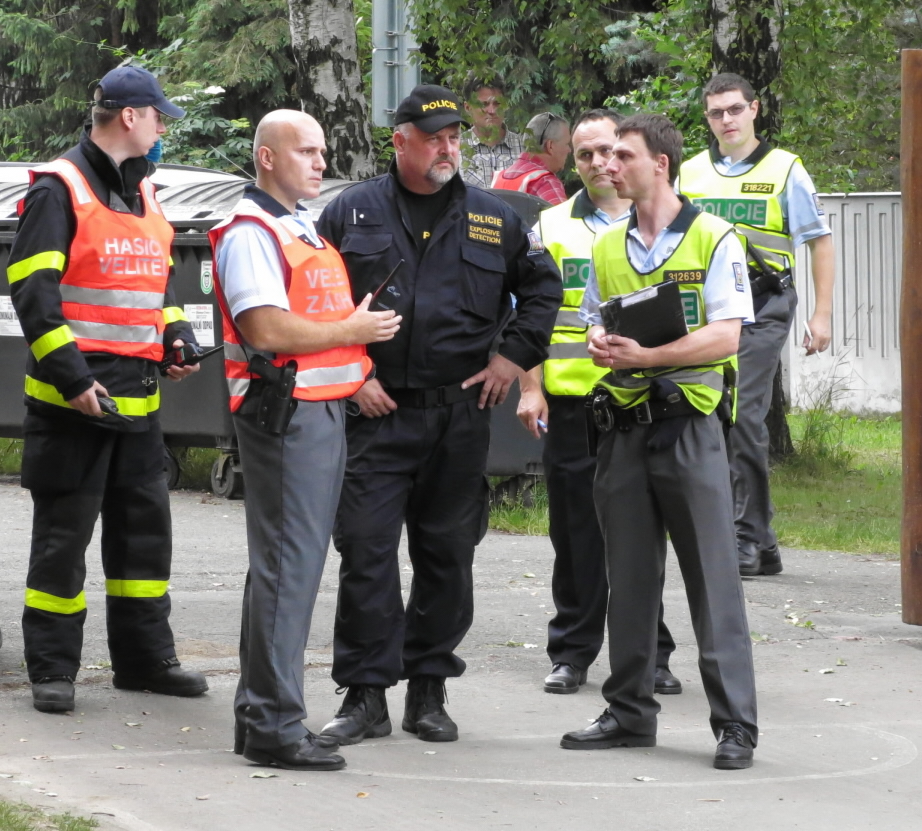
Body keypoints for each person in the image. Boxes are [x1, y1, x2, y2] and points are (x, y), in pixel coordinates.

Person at [314, 85, 561, 747]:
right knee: (366, 551)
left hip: (459, 415)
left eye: (454, 137)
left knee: (446, 556)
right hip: (376, 412)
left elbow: (543, 289)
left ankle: (428, 689)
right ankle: (365, 695)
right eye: (433, 138)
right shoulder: (351, 211)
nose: (448, 148)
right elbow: (314, 301)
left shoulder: (494, 216)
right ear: (400, 142)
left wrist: (512, 358)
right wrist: (354, 372)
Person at [559, 114, 758, 770]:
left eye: (623, 155)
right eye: (605, 156)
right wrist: (600, 342)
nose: (608, 166)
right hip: (622, 429)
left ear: (660, 164)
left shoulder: (713, 236)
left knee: (712, 577)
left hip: (689, 425)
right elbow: (593, 320)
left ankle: (735, 725)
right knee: (629, 577)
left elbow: (727, 335)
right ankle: (628, 711)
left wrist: (647, 356)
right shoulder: (607, 246)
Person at [7, 65, 208, 714]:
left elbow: (156, 281)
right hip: (73, 404)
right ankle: (53, 669)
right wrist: (72, 379)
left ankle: (145, 661)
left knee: (144, 538)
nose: (162, 129)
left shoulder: (144, 190)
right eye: (158, 117)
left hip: (138, 404)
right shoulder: (59, 188)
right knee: (63, 541)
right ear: (130, 117)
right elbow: (32, 292)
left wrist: (176, 335)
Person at [210, 110, 401, 771]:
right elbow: (266, 329)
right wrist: (354, 331)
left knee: (285, 567)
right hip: (288, 415)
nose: (321, 162)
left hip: (315, 412)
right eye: (305, 152)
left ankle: (261, 715)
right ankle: (274, 725)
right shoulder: (252, 232)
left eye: (322, 152)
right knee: (287, 569)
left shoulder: (298, 226)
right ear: (267, 157)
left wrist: (351, 343)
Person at [515, 108, 680, 696]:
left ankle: (651, 654)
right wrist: (530, 388)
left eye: (607, 150)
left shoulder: (660, 222)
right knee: (575, 535)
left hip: (642, 401)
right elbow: (528, 315)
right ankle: (572, 652)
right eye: (583, 154)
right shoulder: (549, 225)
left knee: (641, 534)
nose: (597, 163)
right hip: (573, 405)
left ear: (626, 151)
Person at [678, 73, 835, 578]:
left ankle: (744, 537)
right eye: (716, 112)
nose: (726, 120)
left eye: (734, 109)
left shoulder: (785, 169)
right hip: (707, 311)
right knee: (712, 415)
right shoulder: (689, 174)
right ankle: (760, 542)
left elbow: (819, 241)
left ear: (754, 109)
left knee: (743, 416)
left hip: (765, 305)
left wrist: (821, 314)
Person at [459, 73, 525, 188]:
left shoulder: (524, 149)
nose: (492, 111)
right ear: (468, 108)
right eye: (484, 104)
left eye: (497, 103)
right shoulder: (456, 150)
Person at [490, 112, 570, 205]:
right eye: (567, 144)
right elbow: (561, 215)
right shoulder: (546, 183)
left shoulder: (498, 179)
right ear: (550, 146)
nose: (569, 150)